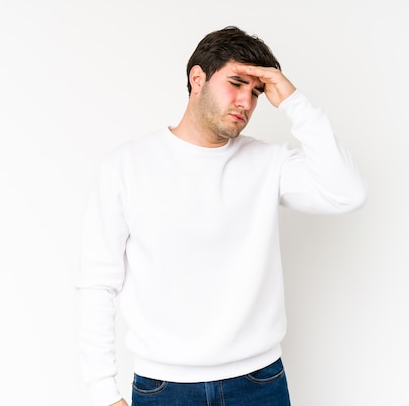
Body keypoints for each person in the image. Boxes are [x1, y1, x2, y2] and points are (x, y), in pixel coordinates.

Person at [77, 26, 367, 406]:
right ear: (197, 78)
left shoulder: (268, 162)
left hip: (259, 382)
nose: (245, 101)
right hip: (164, 387)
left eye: (257, 91)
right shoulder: (126, 167)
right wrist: (102, 392)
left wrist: (294, 102)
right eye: (235, 83)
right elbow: (97, 282)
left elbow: (347, 193)